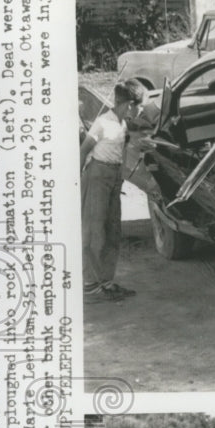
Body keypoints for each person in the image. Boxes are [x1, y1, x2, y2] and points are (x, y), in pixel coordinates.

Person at [79, 78, 143, 303]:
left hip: (114, 178)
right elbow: (83, 150)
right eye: (138, 106)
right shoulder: (103, 123)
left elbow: (122, 147)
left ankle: (106, 282)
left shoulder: (122, 123)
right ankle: (90, 286)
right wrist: (76, 182)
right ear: (128, 104)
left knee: (113, 230)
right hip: (97, 176)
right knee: (94, 231)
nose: (139, 110)